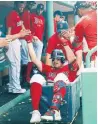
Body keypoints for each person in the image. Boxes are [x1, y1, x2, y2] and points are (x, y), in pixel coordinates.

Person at [28, 45, 79, 123]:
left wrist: (65, 44)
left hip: (64, 96)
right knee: (36, 77)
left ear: (62, 59)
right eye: (53, 59)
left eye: (58, 59)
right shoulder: (49, 69)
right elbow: (34, 59)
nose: (55, 61)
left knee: (60, 76)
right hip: (49, 94)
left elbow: (73, 60)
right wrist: (29, 42)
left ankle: (55, 111)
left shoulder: (68, 69)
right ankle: (36, 112)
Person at [6, 1, 32, 93]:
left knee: (13, 65)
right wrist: (7, 43)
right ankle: (16, 87)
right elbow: (9, 31)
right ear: (15, 5)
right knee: (15, 65)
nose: (21, 8)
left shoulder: (17, 15)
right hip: (12, 41)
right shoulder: (12, 14)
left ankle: (12, 87)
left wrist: (25, 32)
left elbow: (23, 29)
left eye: (23, 6)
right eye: (20, 6)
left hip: (15, 40)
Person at [61, 1, 97, 67]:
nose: (78, 15)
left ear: (79, 10)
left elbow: (76, 45)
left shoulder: (82, 21)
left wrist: (70, 38)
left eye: (77, 13)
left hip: (95, 57)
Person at [26, 3, 45, 83]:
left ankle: (34, 72)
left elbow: (43, 30)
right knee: (30, 58)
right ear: (36, 8)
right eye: (39, 9)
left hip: (39, 40)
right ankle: (28, 75)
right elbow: (28, 26)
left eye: (41, 9)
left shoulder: (43, 18)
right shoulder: (32, 15)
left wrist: (42, 39)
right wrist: (31, 36)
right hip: (32, 39)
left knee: (35, 58)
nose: (39, 11)